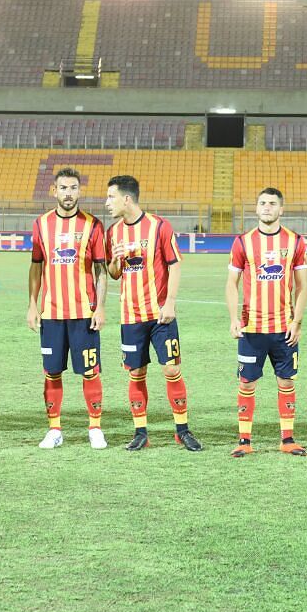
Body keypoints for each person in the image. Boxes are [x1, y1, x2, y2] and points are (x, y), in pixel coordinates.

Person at [104, 174, 202, 451]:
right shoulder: (113, 232)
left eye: (111, 197)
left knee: (171, 368)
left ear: (126, 199)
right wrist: (115, 260)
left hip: (160, 315)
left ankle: (182, 430)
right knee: (136, 372)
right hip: (130, 316)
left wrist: (170, 302)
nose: (107, 202)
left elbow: (174, 265)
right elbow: (113, 274)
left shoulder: (159, 226)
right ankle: (141, 433)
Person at [28, 167, 108, 450]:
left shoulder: (93, 225)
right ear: (54, 191)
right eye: (63, 188)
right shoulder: (41, 225)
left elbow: (101, 270)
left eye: (73, 188)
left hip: (84, 313)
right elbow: (36, 267)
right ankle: (54, 430)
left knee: (90, 371)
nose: (68, 193)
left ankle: (95, 428)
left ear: (79, 191)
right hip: (51, 314)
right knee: (52, 372)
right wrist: (32, 305)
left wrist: (100, 307)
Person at [226, 187, 307, 457]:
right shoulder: (243, 242)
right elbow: (232, 283)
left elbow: (302, 287)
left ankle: (287, 440)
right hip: (252, 328)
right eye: (262, 203)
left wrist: (297, 322)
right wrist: (233, 318)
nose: (267, 207)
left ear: (281, 209)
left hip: (284, 329)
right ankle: (244, 440)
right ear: (256, 208)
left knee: (286, 382)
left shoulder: (295, 241)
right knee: (246, 383)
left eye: (272, 203)